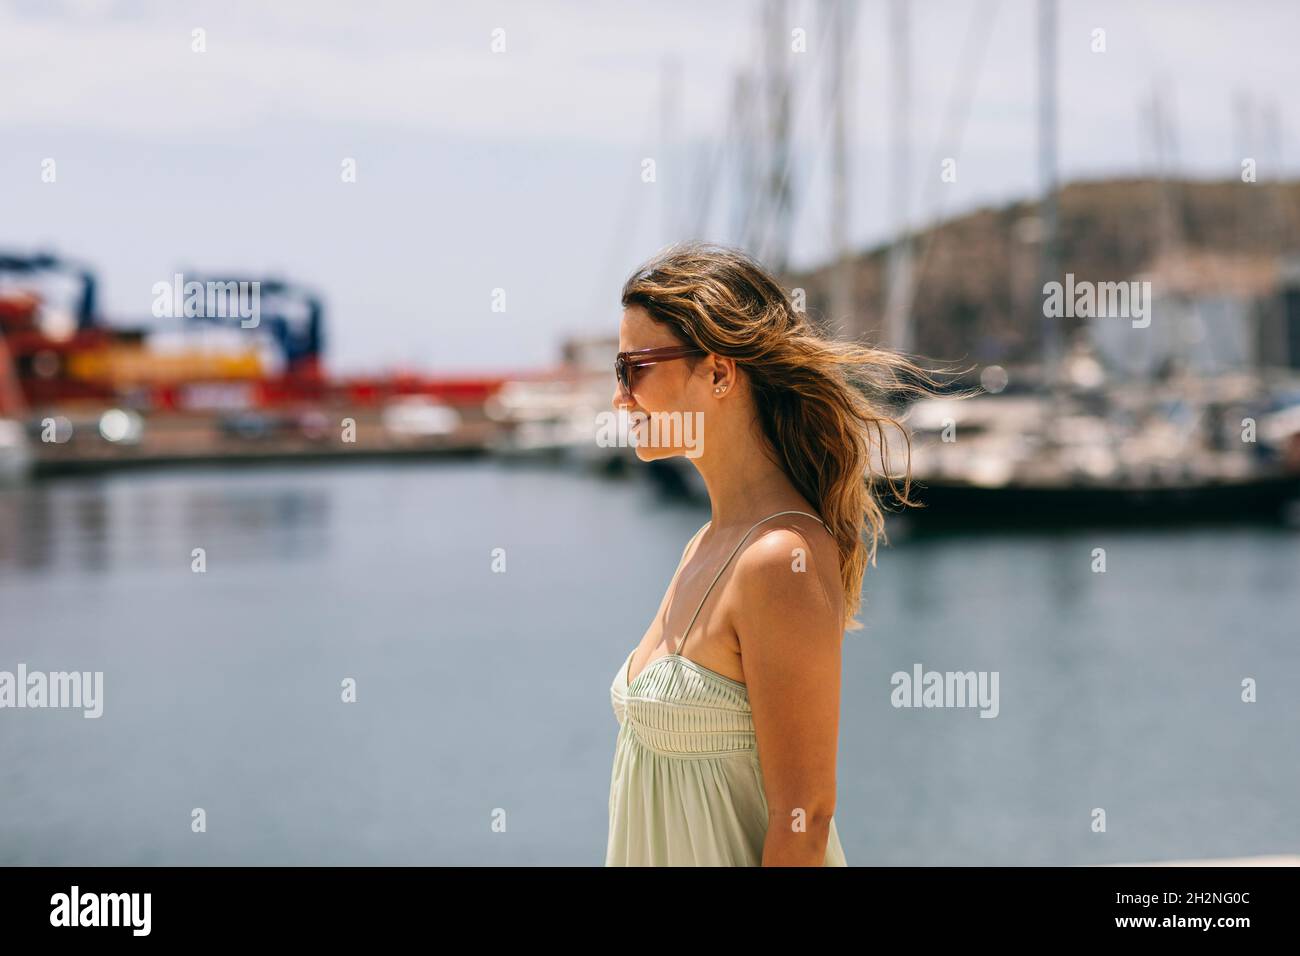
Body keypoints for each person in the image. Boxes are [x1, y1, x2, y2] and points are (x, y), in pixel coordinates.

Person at [606, 241, 948, 866]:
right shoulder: (705, 545)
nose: (620, 398)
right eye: (617, 373)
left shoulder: (777, 559)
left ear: (717, 372)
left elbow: (806, 820)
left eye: (634, 369)